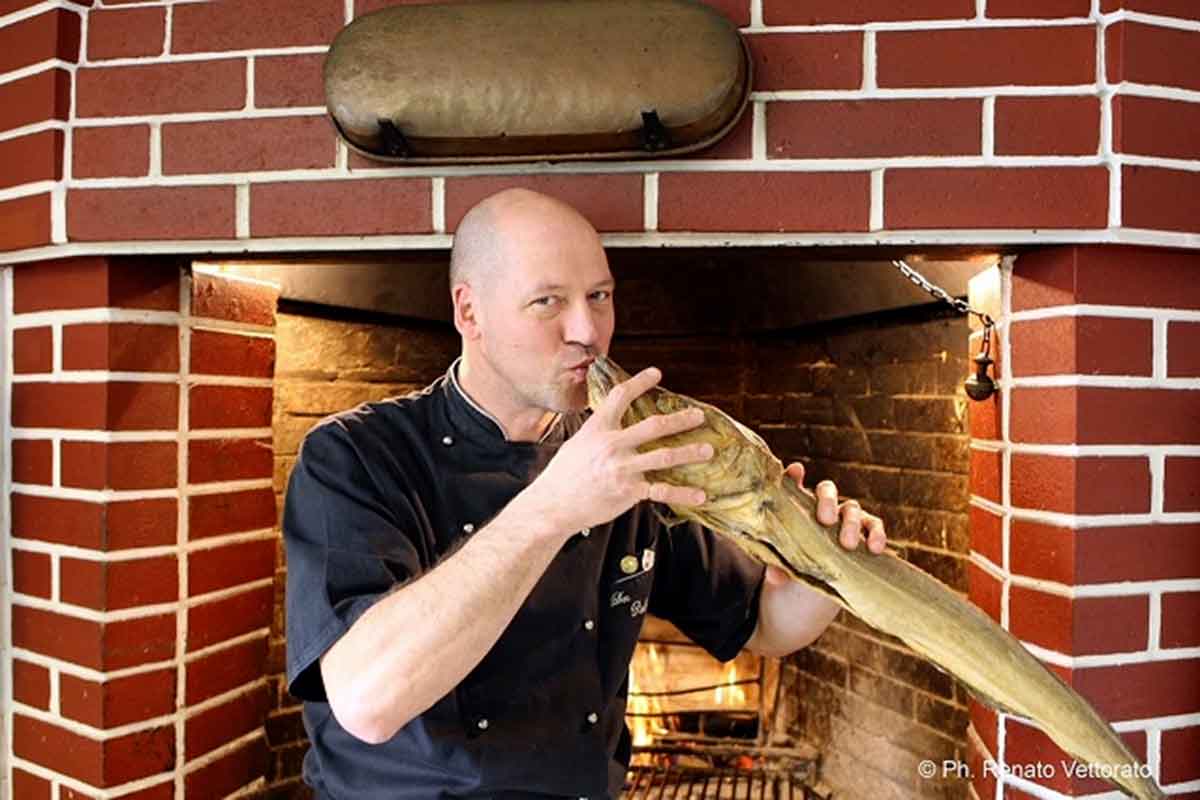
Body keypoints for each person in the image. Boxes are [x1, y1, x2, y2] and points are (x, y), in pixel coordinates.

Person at [283, 189, 888, 799]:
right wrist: (555, 505)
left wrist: (825, 572)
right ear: (470, 312)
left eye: (599, 296)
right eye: (547, 301)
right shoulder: (355, 456)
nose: (588, 332)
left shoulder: (627, 452)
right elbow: (368, 703)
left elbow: (764, 626)